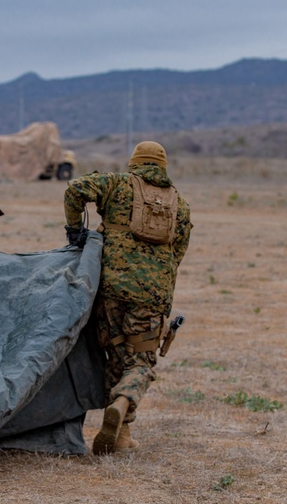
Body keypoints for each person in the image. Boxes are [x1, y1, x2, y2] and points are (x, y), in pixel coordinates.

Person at [63, 141, 192, 454]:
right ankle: (122, 402)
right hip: (151, 296)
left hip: (109, 290)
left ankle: (121, 437)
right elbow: (179, 252)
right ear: (162, 166)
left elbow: (74, 189)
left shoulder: (116, 184)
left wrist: (73, 229)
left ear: (135, 162)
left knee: (117, 355)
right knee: (141, 362)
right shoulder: (180, 204)